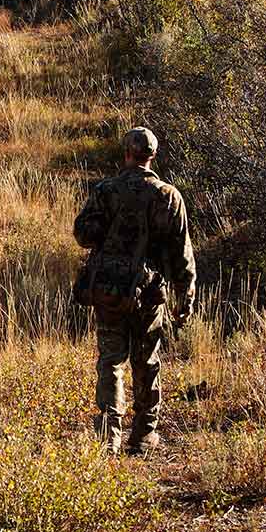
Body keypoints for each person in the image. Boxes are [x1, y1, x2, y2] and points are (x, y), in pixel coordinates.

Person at [74, 126, 196, 455]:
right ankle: (143, 436)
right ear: (153, 156)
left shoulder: (105, 190)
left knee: (111, 361)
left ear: (126, 153)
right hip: (149, 291)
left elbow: (83, 235)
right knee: (147, 361)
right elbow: (182, 253)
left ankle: (110, 436)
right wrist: (186, 295)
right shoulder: (169, 196)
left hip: (109, 290)